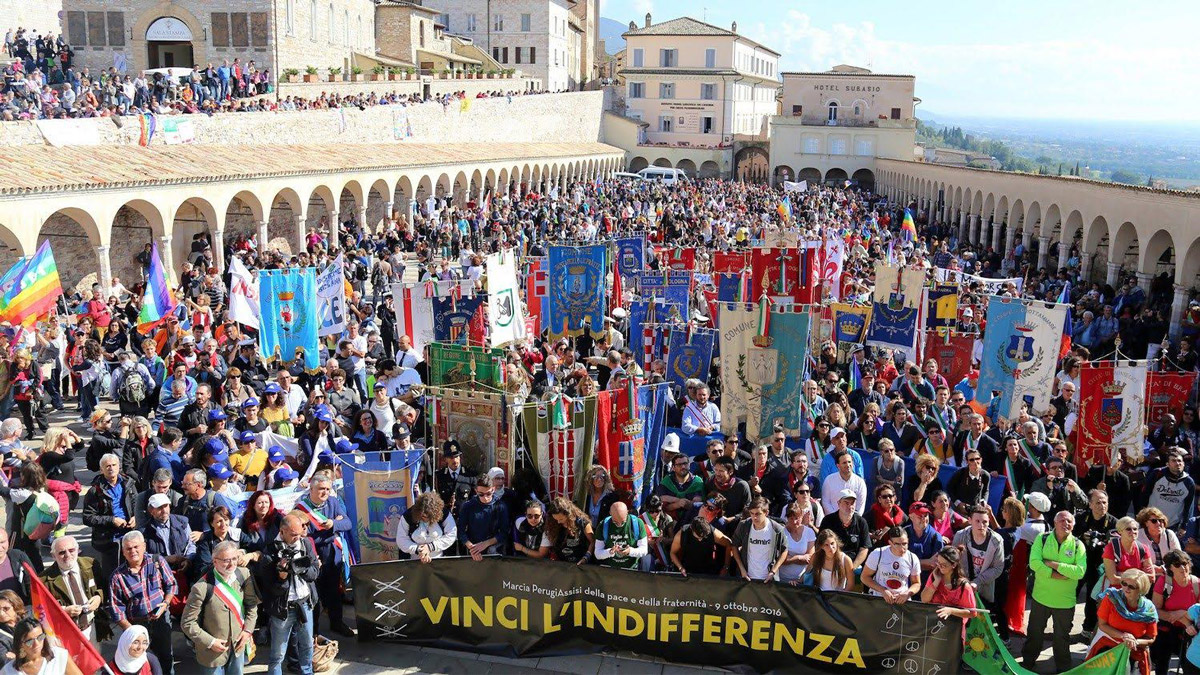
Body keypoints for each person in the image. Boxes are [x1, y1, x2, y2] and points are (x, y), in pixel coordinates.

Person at [1022, 510, 1088, 673]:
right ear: (1055, 522)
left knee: (1062, 639)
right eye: (1062, 520)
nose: (1066, 523)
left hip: (1064, 602)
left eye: (1069, 521)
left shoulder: (1078, 545)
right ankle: (1028, 663)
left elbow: (1079, 572)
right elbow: (1034, 563)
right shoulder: (1042, 539)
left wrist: (1053, 564)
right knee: (1034, 635)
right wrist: (1055, 574)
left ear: (1073, 525)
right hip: (1041, 598)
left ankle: (1063, 668)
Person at [182, 540, 259, 675]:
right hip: (212, 653)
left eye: (234, 558)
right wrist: (211, 642)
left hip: (237, 648)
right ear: (215, 561)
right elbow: (187, 623)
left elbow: (252, 605)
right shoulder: (201, 588)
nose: (231, 564)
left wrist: (247, 630)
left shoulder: (244, 575)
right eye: (226, 560)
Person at [255, 514, 320, 675]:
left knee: (307, 646)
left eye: (299, 533)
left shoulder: (304, 544)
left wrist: (301, 569)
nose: (298, 538)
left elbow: (314, 573)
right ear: (282, 531)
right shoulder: (270, 551)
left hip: (305, 603)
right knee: (278, 653)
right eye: (293, 535)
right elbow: (271, 589)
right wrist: (282, 577)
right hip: (283, 608)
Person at [109, 531, 178, 675]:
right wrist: (134, 632)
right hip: (137, 624)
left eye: (136, 547)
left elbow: (171, 585)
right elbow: (117, 610)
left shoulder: (157, 561)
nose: (133, 551)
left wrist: (166, 603)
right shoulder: (117, 577)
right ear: (123, 552)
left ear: (144, 547)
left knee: (166, 657)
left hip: (161, 621)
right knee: (140, 661)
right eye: (128, 549)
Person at [294, 474, 354, 636]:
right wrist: (331, 530)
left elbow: (347, 523)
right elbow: (304, 535)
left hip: (332, 553)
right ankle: (313, 632)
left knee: (334, 591)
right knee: (314, 594)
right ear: (311, 489)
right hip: (314, 555)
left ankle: (337, 623)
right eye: (321, 489)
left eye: (328, 489)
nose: (325, 492)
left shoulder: (333, 502)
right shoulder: (300, 509)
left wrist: (333, 523)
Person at [80, 453, 137, 583]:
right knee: (112, 574)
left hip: (129, 532)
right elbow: (88, 517)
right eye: (107, 466)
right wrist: (111, 520)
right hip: (109, 538)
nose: (111, 468)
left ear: (119, 467)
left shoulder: (129, 483)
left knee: (132, 569)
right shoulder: (95, 491)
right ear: (102, 470)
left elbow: (136, 504)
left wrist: (135, 517)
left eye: (114, 465)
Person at [1088, 568, 1157, 675]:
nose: (1126, 588)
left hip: (1134, 653)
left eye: (1132, 586)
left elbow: (1151, 638)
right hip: (1107, 650)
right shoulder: (1111, 598)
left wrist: (1134, 642)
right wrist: (1124, 636)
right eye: (1124, 583)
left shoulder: (1149, 609)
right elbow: (1102, 625)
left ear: (1141, 589)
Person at [1150, 549, 1200, 674]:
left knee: (1188, 666)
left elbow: (1198, 611)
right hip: (1165, 630)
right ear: (1170, 568)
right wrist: (1173, 615)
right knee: (1161, 666)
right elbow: (1154, 610)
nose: (1183, 568)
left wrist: (1182, 615)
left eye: (1185, 563)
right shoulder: (1164, 582)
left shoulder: (1196, 583)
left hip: (1187, 632)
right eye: (1178, 565)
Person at [952, 505, 1005, 612]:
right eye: (977, 521)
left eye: (985, 522)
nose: (981, 525)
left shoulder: (996, 541)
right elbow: (953, 560)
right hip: (962, 585)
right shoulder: (960, 536)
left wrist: (978, 581)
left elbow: (998, 568)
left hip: (985, 587)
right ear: (970, 520)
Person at [919, 547, 978, 638]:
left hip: (953, 632)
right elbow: (924, 599)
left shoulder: (964, 586)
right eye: (938, 563)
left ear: (953, 565)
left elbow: (972, 612)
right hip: (933, 626)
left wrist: (951, 611)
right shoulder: (935, 576)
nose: (940, 567)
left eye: (944, 565)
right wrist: (936, 582)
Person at [1, 616, 84, 675]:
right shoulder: (8, 671)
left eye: (40, 637)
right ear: (20, 644)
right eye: (29, 641)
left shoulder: (59, 656)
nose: (36, 644)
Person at [731, 497, 788, 582]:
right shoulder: (744, 525)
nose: (754, 517)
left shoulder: (776, 529)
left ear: (766, 513)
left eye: (758, 514)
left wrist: (773, 571)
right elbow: (734, 545)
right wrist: (741, 568)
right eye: (752, 513)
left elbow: (784, 550)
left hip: (768, 579)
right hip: (747, 578)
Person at [818, 489, 872, 576]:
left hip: (854, 565)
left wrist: (852, 568)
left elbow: (864, 548)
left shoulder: (861, 522)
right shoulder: (828, 521)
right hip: (831, 563)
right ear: (838, 503)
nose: (850, 506)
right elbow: (820, 545)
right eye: (846, 503)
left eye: (852, 503)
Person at [862, 527, 921, 604]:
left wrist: (907, 593)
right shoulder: (878, 554)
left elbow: (916, 583)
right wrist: (883, 590)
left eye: (904, 544)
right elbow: (864, 577)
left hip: (901, 601)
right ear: (890, 543)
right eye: (897, 544)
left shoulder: (912, 558)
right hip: (880, 598)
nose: (902, 548)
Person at [396, 491, 457, 562]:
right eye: (422, 516)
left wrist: (430, 547)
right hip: (414, 561)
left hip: (439, 560)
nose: (425, 519)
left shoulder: (444, 514)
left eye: (428, 517)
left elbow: (451, 535)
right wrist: (418, 549)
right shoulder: (408, 515)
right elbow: (401, 539)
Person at [541, 497, 594, 565]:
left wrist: (586, 557)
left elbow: (592, 542)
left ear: (568, 514)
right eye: (556, 519)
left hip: (580, 562)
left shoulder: (582, 522)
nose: (558, 522)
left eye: (561, 519)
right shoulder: (553, 523)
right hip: (561, 563)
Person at [595, 502, 648, 571]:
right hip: (609, 570)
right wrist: (610, 552)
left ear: (627, 512)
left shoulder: (637, 523)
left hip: (631, 570)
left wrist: (630, 551)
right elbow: (597, 553)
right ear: (610, 513)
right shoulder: (603, 525)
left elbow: (644, 550)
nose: (619, 525)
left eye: (623, 522)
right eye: (615, 522)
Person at [778, 501, 817, 584]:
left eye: (797, 518)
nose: (794, 521)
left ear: (801, 516)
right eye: (791, 518)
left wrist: (790, 558)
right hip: (784, 579)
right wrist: (799, 557)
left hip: (802, 579)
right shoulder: (781, 533)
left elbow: (810, 558)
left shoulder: (809, 532)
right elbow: (781, 560)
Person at [821, 451, 867, 516]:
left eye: (849, 462)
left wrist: (851, 519)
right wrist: (836, 518)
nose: (848, 465)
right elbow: (825, 502)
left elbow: (860, 505)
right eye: (844, 463)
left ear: (853, 463)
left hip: (853, 521)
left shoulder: (860, 482)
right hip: (832, 520)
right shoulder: (829, 480)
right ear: (838, 465)